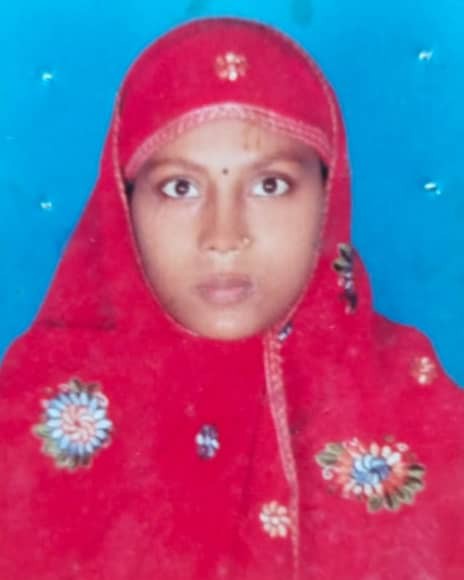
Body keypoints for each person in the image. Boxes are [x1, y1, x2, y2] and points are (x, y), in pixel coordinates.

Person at [0, 17, 463, 580]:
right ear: (123, 206)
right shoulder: (29, 417)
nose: (223, 236)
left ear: (328, 196)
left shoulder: (419, 410)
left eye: (270, 185)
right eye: (180, 187)